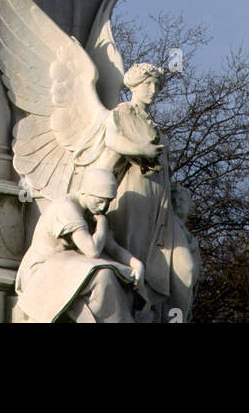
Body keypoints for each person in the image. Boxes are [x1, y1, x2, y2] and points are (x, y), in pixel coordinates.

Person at [107, 62, 201, 323]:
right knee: (136, 267)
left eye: (156, 85)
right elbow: (111, 140)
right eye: (148, 84)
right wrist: (141, 151)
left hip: (162, 206)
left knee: (186, 268)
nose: (153, 90)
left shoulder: (152, 122)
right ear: (134, 86)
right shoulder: (123, 112)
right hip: (134, 198)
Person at [14, 169, 144, 323]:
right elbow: (93, 251)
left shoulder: (90, 211)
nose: (103, 207)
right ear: (86, 192)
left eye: (108, 201)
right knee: (103, 274)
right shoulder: (66, 209)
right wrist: (102, 223)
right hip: (42, 270)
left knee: (122, 278)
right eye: (100, 200)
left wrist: (136, 264)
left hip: (68, 267)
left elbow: (112, 247)